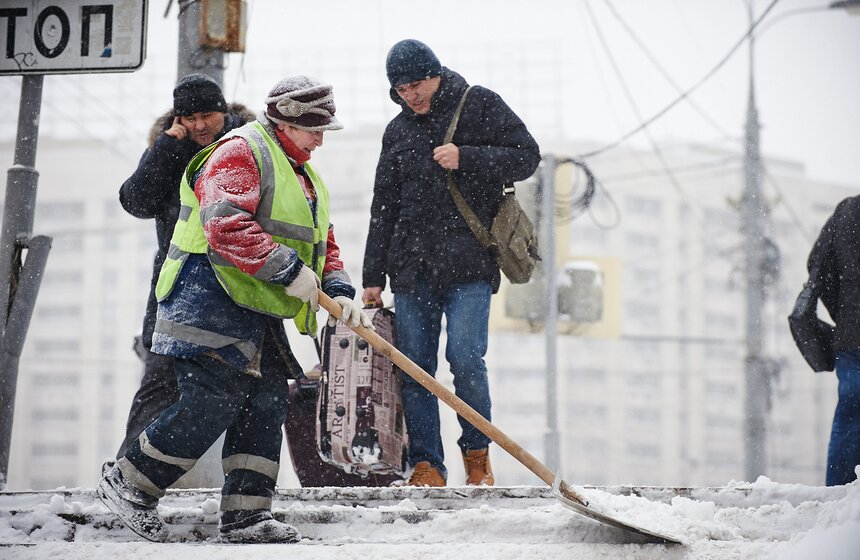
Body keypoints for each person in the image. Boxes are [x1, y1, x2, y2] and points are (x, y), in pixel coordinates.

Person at [99, 75, 372, 543]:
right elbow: (225, 224)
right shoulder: (241, 151)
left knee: (265, 402)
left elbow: (320, 241)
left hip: (253, 305)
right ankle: (130, 483)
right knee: (212, 399)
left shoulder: (300, 172)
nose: (322, 138)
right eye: (315, 128)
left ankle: (248, 514)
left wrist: (338, 287)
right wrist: (289, 272)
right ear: (286, 121)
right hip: (207, 300)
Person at [362, 39, 541, 487]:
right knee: (416, 367)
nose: (411, 95)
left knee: (465, 357)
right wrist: (371, 276)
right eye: (401, 89)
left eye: (417, 84)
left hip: (470, 263)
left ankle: (477, 458)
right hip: (411, 268)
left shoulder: (478, 104)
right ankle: (427, 465)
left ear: (436, 73)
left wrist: (469, 158)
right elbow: (383, 204)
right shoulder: (397, 131)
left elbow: (527, 157)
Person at [116, 73, 253, 459]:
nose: (199, 125)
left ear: (223, 111)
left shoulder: (248, 145)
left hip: (235, 285)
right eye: (190, 118)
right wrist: (165, 147)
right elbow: (136, 202)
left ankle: (237, 490)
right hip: (175, 286)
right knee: (160, 382)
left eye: (207, 115)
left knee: (245, 390)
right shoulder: (170, 149)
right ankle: (128, 470)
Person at [791, 196, 860, 486]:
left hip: (853, 339)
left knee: (851, 415)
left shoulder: (849, 211)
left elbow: (819, 266)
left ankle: (839, 496)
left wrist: (845, 313)